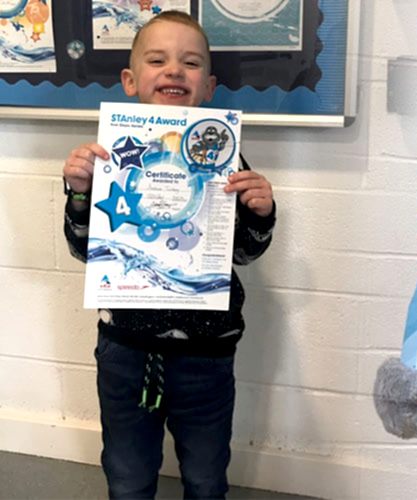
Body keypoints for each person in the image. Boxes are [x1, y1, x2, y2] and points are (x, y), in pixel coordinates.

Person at [61, 12, 276, 499]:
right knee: (127, 474)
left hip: (207, 356)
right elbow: (83, 249)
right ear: (131, 81)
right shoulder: (108, 158)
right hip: (126, 351)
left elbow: (243, 253)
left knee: (205, 476)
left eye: (191, 62)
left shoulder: (223, 155)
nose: (174, 70)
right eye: (157, 60)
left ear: (209, 86)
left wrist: (260, 212)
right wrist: (78, 194)